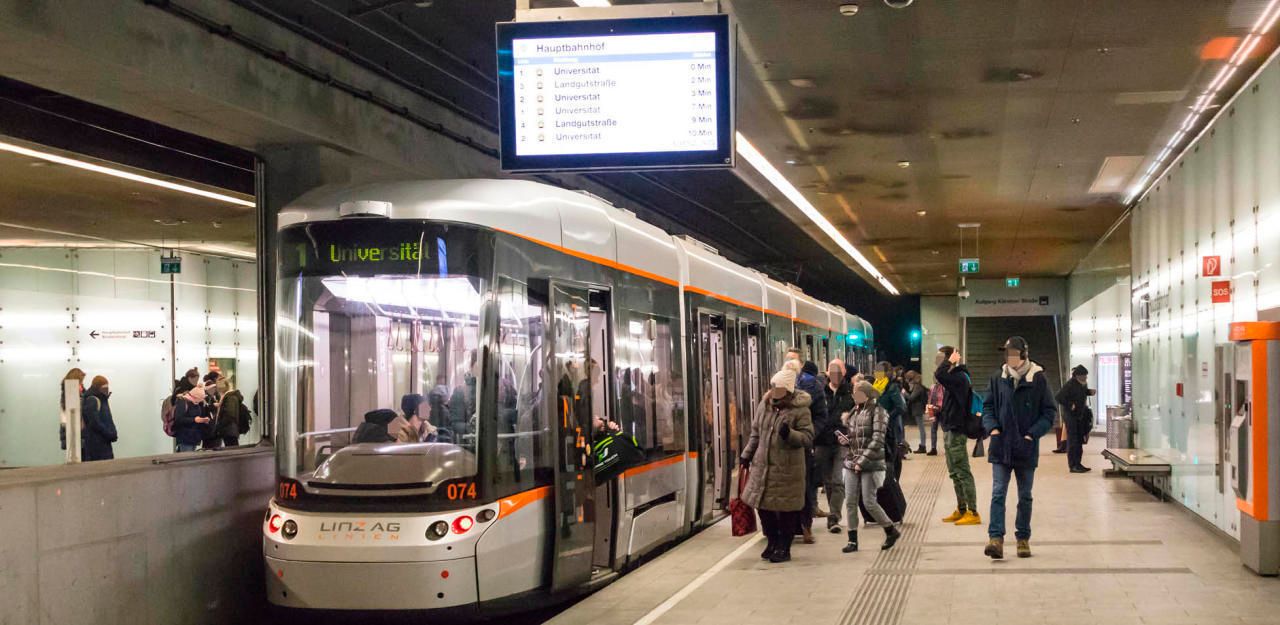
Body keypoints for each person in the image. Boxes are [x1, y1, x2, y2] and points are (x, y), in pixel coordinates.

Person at [982, 336, 1056, 560]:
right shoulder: (998, 377)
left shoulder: (1038, 378)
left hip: (1025, 447)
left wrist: (1031, 434)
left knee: (1025, 495)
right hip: (1001, 446)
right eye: (1007, 354)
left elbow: (1049, 412)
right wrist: (992, 427)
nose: (1010, 358)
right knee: (998, 493)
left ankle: (1023, 538)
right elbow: (988, 406)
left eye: (1013, 354)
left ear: (1024, 354)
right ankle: (996, 539)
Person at [739, 365, 815, 564]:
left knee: (786, 510)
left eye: (780, 390)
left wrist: (789, 434)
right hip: (762, 467)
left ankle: (784, 546)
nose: (775, 393)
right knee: (763, 507)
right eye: (774, 388)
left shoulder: (801, 410)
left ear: (789, 391)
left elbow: (808, 438)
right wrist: (746, 455)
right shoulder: (764, 405)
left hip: (787, 469)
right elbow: (756, 433)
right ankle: (772, 541)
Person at [836, 380, 901, 552]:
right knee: (850, 501)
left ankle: (890, 529)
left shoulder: (879, 412)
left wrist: (862, 462)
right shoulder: (854, 412)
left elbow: (878, 439)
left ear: (868, 394)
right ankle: (852, 540)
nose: (854, 396)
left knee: (869, 501)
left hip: (871, 464)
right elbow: (856, 437)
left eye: (858, 393)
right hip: (852, 461)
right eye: (854, 393)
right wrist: (847, 441)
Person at [934, 347, 980, 525]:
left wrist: (950, 361)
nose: (939, 363)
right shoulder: (953, 379)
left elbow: (940, 374)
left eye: (942, 359)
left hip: (957, 430)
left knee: (962, 472)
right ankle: (961, 509)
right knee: (954, 472)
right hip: (949, 428)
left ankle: (973, 511)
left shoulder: (960, 377)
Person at [818, 358, 853, 533]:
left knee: (838, 480)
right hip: (822, 443)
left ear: (844, 372)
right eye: (832, 371)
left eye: (838, 371)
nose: (835, 375)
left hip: (842, 443)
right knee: (828, 482)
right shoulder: (820, 393)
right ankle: (834, 513)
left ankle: (834, 517)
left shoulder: (851, 394)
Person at [795, 359, 828, 543]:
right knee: (805, 490)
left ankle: (803, 527)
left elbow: (821, 415)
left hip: (803, 450)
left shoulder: (811, 390)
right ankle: (802, 527)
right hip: (800, 448)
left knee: (805, 488)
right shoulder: (773, 400)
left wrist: (807, 436)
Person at [1056, 365, 1095, 473]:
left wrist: (1088, 392)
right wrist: (1070, 405)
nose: (1085, 378)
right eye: (1084, 376)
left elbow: (1080, 393)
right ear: (1077, 376)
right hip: (1070, 416)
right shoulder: (1070, 384)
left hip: (1080, 415)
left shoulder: (1082, 384)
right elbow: (1058, 397)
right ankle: (1073, 465)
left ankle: (1078, 463)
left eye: (1086, 376)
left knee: (1079, 440)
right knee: (1073, 440)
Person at [872, 362, 907, 479]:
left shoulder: (892, 387)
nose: (877, 373)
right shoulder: (875, 386)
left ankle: (892, 481)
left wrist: (887, 417)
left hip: (890, 428)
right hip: (877, 428)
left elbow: (901, 407)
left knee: (891, 456)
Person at [80, 375, 118, 461]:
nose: (106, 389)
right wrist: (109, 433)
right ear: (98, 387)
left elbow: (108, 419)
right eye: (104, 387)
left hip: (104, 441)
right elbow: (95, 422)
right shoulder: (92, 400)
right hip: (96, 443)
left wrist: (113, 432)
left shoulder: (102, 399)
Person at [172, 384, 212, 452]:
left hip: (194, 436)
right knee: (187, 460)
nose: (201, 401)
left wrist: (203, 420)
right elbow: (178, 419)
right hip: (185, 437)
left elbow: (196, 416)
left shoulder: (195, 402)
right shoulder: (183, 402)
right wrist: (194, 420)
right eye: (200, 399)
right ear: (195, 396)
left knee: (191, 459)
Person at [59, 368, 86, 451]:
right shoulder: (71, 396)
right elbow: (67, 420)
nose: (82, 384)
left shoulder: (69, 395)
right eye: (81, 382)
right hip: (75, 435)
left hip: (77, 434)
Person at [214, 378, 245, 448]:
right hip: (230, 429)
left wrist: (220, 425)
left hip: (229, 429)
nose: (218, 390)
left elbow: (230, 414)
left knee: (232, 449)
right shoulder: (229, 396)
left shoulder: (230, 397)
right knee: (232, 449)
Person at [905, 371, 929, 454]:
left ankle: (923, 446)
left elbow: (912, 398)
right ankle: (922, 445)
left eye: (908, 379)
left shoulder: (917, 387)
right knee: (921, 427)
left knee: (921, 428)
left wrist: (904, 393)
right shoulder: (918, 386)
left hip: (918, 409)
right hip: (918, 409)